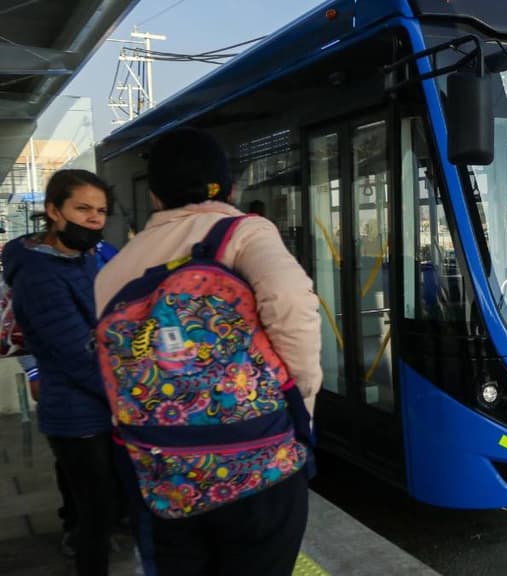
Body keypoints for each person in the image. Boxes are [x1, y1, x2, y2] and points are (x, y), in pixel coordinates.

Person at [95, 127, 322, 576]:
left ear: (156, 196)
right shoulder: (244, 233)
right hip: (258, 465)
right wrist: (301, 400)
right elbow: (293, 304)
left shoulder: (114, 268)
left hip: (164, 473)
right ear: (230, 188)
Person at [1, 169, 118, 576]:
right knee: (95, 517)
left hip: (101, 406)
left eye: (100, 211)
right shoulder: (39, 272)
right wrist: (138, 396)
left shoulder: (85, 256)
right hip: (77, 414)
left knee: (104, 510)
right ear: (54, 210)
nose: (93, 218)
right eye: (82, 208)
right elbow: (78, 355)